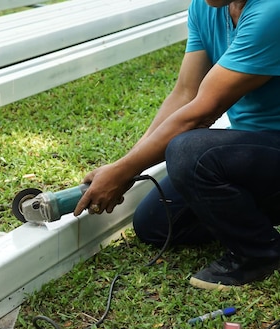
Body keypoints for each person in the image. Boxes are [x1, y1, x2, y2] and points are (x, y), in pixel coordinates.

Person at [73, 0, 280, 290]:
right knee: (155, 224)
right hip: (259, 150)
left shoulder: (272, 11)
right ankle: (250, 224)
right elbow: (185, 93)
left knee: (188, 152)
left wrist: (123, 172)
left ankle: (260, 252)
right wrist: (125, 165)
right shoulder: (206, 6)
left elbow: (203, 111)